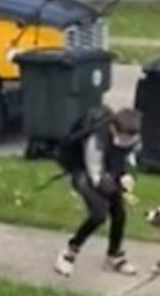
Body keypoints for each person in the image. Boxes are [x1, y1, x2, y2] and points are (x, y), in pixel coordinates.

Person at [54, 107, 143, 277]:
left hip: (109, 170)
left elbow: (129, 159)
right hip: (84, 171)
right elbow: (96, 176)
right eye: (123, 138)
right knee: (99, 213)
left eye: (130, 139)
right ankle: (68, 254)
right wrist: (117, 187)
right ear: (113, 129)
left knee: (119, 213)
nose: (126, 142)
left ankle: (114, 256)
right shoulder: (96, 140)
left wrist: (128, 177)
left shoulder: (132, 137)